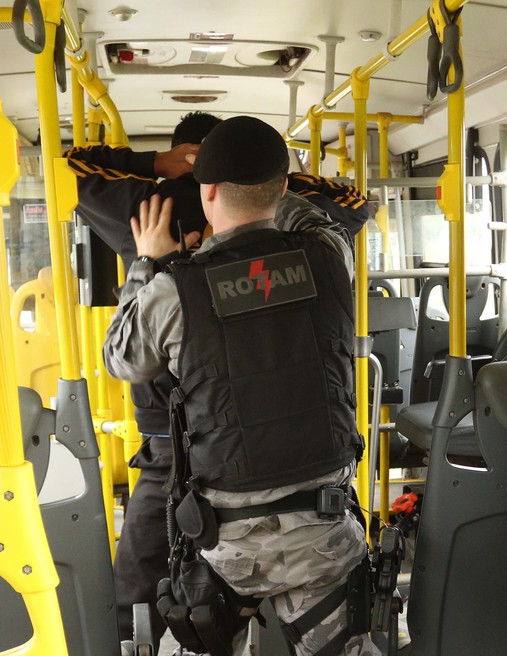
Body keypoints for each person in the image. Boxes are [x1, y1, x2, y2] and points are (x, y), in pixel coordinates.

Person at [103, 115, 378, 656]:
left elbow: (122, 358)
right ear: (282, 186)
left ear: (206, 193)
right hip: (323, 528)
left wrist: (145, 261)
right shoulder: (331, 256)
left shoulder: (173, 291)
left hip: (226, 543)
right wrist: (274, 184)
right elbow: (315, 213)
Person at [67, 110, 221, 651]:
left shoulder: (149, 208)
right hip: (245, 434)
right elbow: (351, 202)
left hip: (165, 440)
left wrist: (153, 164)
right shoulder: (267, 212)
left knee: (136, 591)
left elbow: (71, 167)